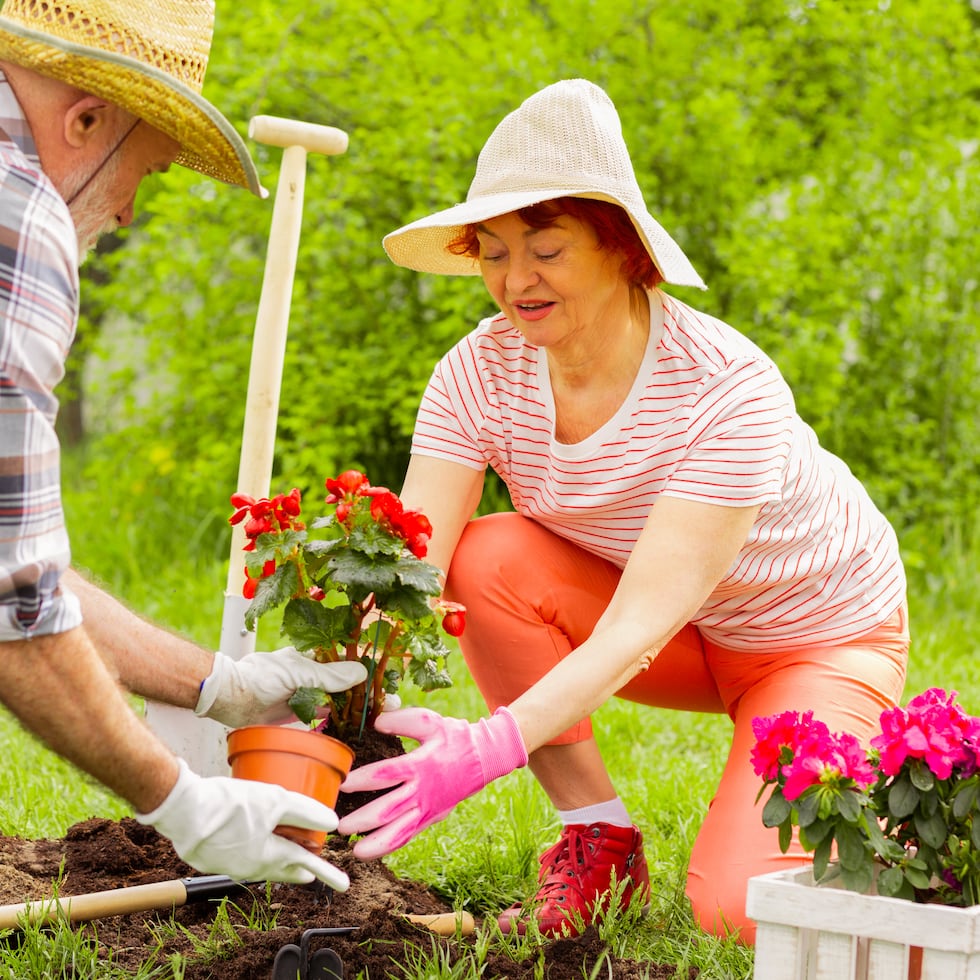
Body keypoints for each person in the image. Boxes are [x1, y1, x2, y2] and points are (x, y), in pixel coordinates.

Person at [337, 78, 910, 941]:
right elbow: (409, 568)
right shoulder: (477, 373)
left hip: (813, 637)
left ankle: (915, 831)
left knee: (743, 913)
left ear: (622, 249)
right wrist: (324, 704)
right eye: (491, 250)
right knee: (485, 560)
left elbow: (636, 625)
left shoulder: (725, 389)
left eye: (547, 248)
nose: (514, 279)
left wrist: (487, 748)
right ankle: (596, 837)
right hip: (689, 639)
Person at [0, 0, 367, 892]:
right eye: (147, 172)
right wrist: (187, 805)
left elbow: (19, 570)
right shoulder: (22, 224)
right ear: (84, 119)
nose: (125, 214)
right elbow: (16, 609)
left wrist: (220, 687)